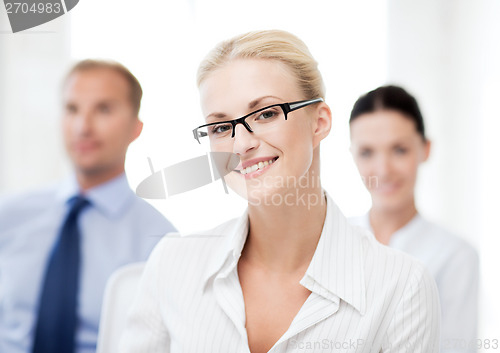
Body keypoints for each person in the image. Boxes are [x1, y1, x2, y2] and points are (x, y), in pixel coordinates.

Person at [120, 30, 440, 353]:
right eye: (220, 127)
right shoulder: (171, 264)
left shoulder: (401, 287)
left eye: (266, 114)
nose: (242, 144)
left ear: (320, 122)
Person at [0, 59, 176, 353]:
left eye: (104, 109)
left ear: (136, 127)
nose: (83, 127)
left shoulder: (162, 242)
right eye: (72, 109)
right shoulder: (10, 215)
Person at [348, 85, 479, 353]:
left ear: (425, 149)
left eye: (399, 150)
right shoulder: (329, 241)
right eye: (367, 152)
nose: (383, 170)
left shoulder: (456, 256)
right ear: (352, 156)